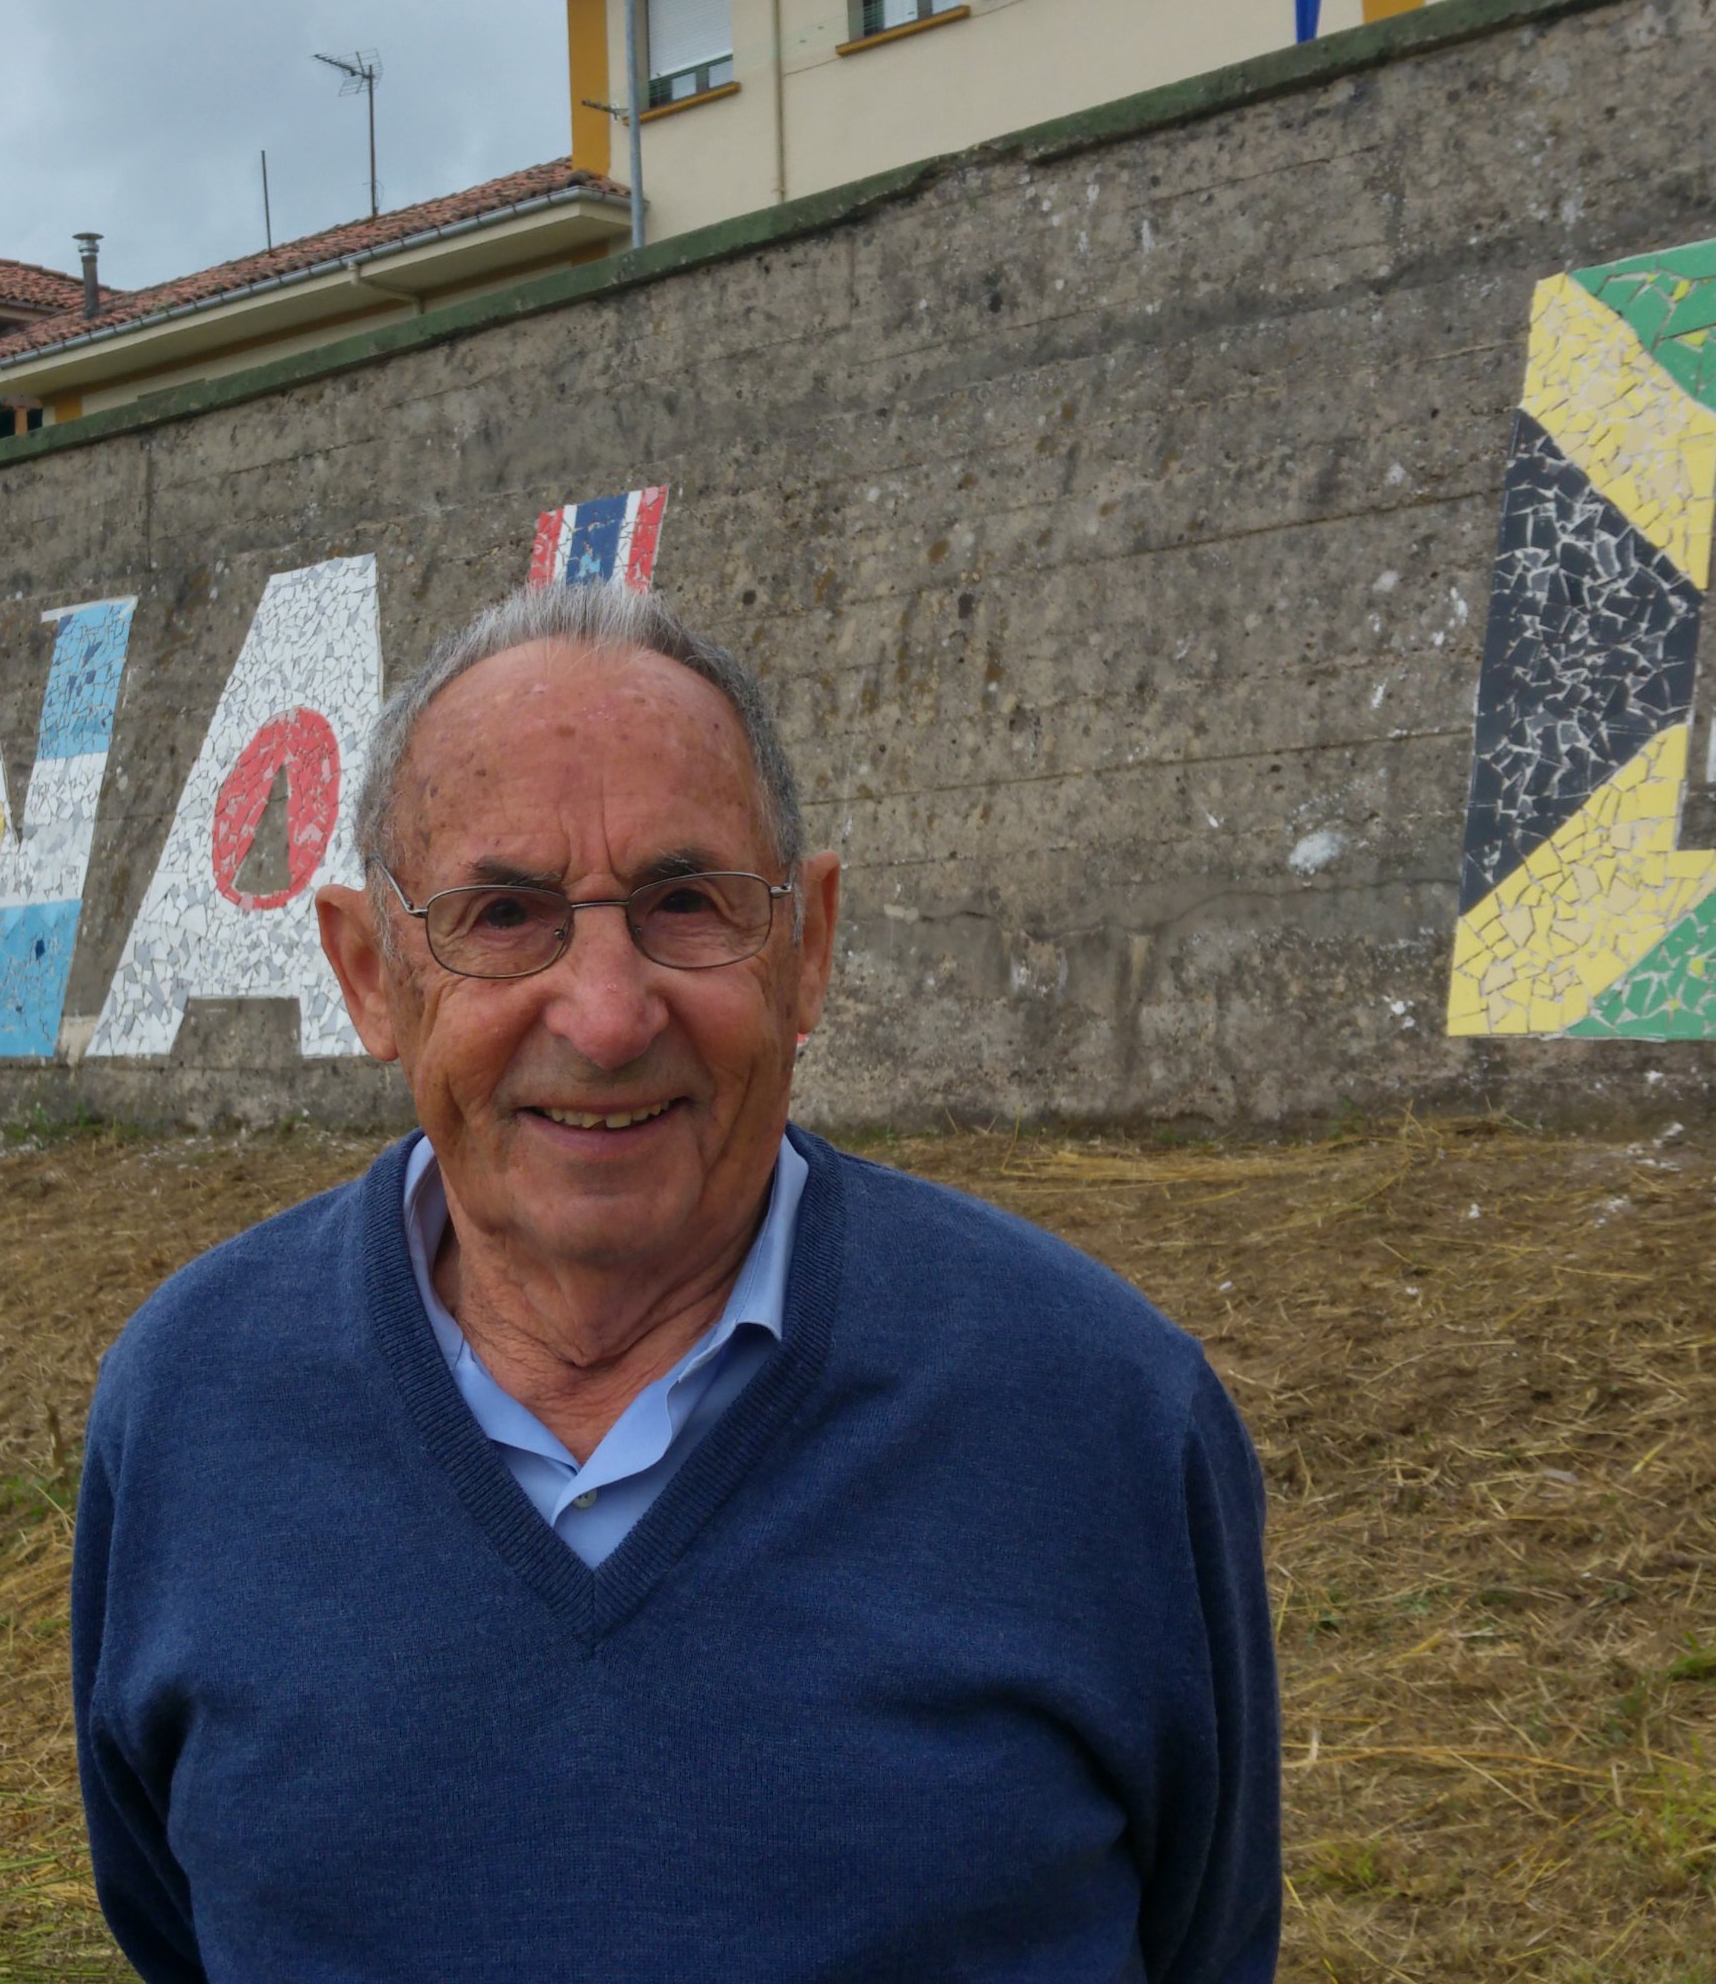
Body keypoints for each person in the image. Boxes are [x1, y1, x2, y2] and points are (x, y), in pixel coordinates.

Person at [71, 581, 1281, 1984]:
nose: (603, 1015)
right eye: (506, 914)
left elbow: (1210, 1939)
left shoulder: (1106, 1417)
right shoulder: (186, 1410)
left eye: (688, 902)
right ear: (371, 974)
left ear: (808, 947)